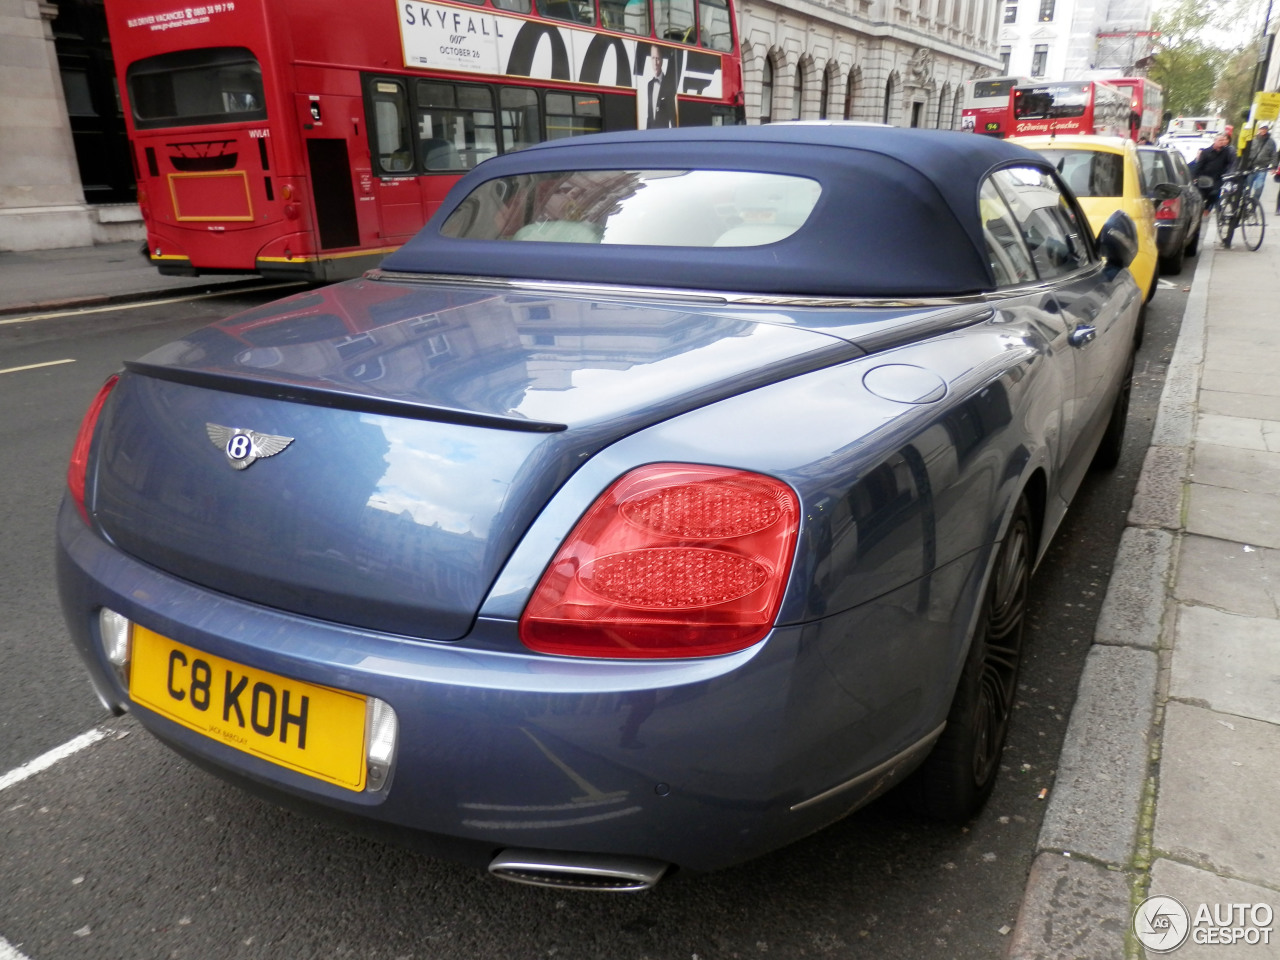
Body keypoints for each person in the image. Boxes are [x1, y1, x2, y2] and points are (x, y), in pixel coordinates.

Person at [1190, 132, 1236, 212]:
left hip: (1218, 179)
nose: (1221, 142)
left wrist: (1229, 173)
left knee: (1214, 194)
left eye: (1222, 140)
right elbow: (1199, 165)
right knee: (1201, 195)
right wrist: (1194, 177)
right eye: (1220, 140)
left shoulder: (1226, 152)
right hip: (1205, 178)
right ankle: (1200, 209)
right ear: (1215, 141)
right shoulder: (1206, 152)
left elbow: (1230, 163)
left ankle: (1207, 209)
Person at [640, 45, 676, 129]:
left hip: (664, 132)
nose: (655, 63)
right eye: (653, 58)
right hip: (651, 132)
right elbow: (650, 113)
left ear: (662, 61)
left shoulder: (668, 83)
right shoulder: (649, 85)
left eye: (657, 58)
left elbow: (672, 114)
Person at [1240, 124, 1277, 200]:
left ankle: (1253, 207)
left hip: (1262, 169)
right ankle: (1244, 206)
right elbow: (1246, 153)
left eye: (1265, 129)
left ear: (1267, 130)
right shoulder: (1252, 140)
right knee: (1247, 189)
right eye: (1261, 128)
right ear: (1258, 129)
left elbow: (1274, 155)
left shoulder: (1271, 142)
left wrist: (1274, 166)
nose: (1263, 130)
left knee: (1259, 190)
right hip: (1251, 168)